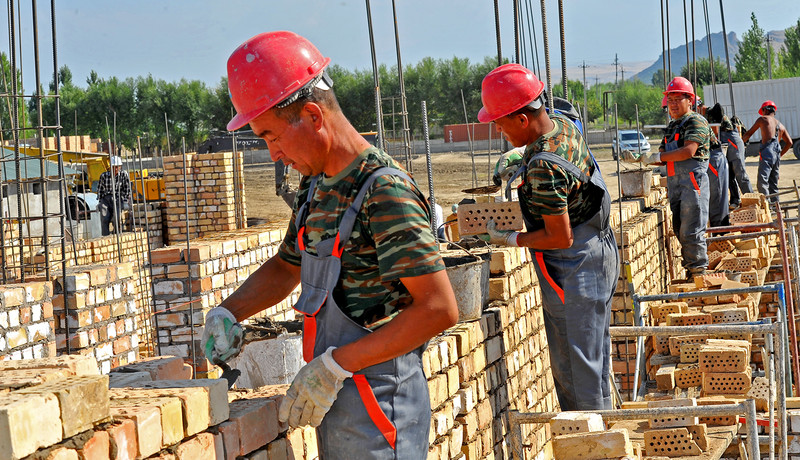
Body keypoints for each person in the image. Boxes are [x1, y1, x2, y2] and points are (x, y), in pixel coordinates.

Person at [201, 31, 458, 459]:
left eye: (271, 136)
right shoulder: (316, 185)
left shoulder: (384, 192)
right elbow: (288, 267)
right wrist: (230, 311)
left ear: (313, 116)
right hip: (340, 401)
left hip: (383, 411)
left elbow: (439, 309)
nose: (273, 155)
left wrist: (336, 364)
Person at [476, 63, 618, 411]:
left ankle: (591, 443)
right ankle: (607, 433)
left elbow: (559, 237)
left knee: (577, 372)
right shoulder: (563, 126)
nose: (498, 130)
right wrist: (521, 159)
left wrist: (511, 240)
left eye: (500, 122)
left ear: (523, 119)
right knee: (593, 360)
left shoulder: (544, 166)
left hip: (575, 266)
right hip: (599, 249)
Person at [641, 77, 711, 277]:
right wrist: (643, 159)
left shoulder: (696, 121)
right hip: (675, 183)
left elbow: (688, 151)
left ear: (690, 100)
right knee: (680, 228)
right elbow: (663, 156)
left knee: (692, 229)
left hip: (691, 182)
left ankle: (699, 271)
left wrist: (658, 156)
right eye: (669, 100)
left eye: (677, 99)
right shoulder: (672, 127)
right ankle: (692, 268)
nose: (672, 104)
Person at [742, 100, 793, 201]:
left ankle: (768, 207)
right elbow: (790, 143)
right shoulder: (780, 125)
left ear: (765, 110)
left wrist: (738, 144)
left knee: (762, 182)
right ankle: (775, 208)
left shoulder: (763, 119)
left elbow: (748, 134)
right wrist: (780, 155)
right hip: (776, 155)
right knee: (773, 184)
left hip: (767, 152)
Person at [706, 103, 753, 209]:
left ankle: (751, 199)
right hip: (724, 140)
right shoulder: (703, 115)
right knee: (729, 173)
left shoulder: (712, 112)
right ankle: (735, 200)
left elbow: (715, 129)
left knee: (739, 172)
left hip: (732, 141)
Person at [97, 155, 131, 236]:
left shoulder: (123, 175)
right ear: (110, 167)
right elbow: (100, 190)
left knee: (117, 218)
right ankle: (105, 237)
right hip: (106, 199)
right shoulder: (104, 176)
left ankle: (117, 235)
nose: (115, 169)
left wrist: (125, 201)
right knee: (104, 218)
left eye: (117, 167)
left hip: (118, 198)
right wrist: (99, 202)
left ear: (120, 167)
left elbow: (127, 188)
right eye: (113, 167)